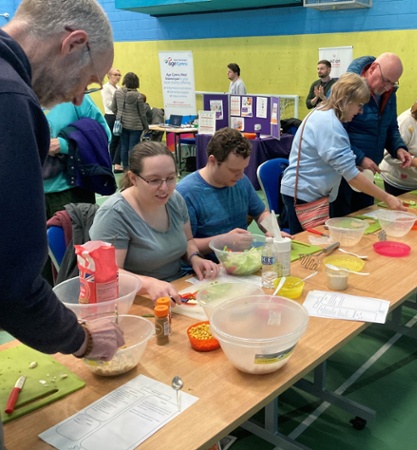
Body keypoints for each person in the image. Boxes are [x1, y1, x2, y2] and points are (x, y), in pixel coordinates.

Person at [0, 1, 125, 445]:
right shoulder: (12, 97)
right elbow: (12, 280)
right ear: (73, 43)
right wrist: (82, 340)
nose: (77, 98)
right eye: (88, 83)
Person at [90, 141, 220, 302]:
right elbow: (107, 274)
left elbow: (187, 240)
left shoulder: (175, 200)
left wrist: (194, 258)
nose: (165, 188)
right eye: (154, 180)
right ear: (133, 178)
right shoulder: (114, 214)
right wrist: (148, 284)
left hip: (175, 289)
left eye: (171, 178)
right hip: (136, 300)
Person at [280, 73, 405, 235]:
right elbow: (351, 175)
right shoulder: (329, 124)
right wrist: (387, 198)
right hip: (305, 195)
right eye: (359, 105)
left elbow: (336, 160)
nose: (360, 111)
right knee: (308, 245)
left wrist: (357, 165)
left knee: (314, 243)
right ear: (346, 101)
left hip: (309, 191)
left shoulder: (324, 114)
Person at [176, 127, 291, 259]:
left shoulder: (240, 181)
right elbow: (183, 248)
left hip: (239, 261)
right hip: (204, 269)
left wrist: (273, 231)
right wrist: (222, 241)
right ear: (212, 161)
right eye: (233, 170)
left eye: (243, 169)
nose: (241, 175)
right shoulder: (186, 193)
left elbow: (260, 213)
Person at [330, 52, 412, 217]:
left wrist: (398, 148)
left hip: (368, 172)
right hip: (343, 174)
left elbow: (390, 127)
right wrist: (359, 157)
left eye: (393, 83)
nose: (387, 87)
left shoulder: (389, 93)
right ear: (373, 68)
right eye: (386, 81)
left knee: (365, 218)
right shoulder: (346, 89)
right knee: (341, 221)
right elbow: (334, 135)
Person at [44, 94, 112, 219]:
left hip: (71, 191)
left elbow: (102, 134)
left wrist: (63, 144)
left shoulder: (74, 93)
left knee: (77, 238)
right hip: (28, 192)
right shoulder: (17, 96)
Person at [111, 71, 149, 171]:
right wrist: (146, 126)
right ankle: (133, 168)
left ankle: (126, 168)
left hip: (122, 124)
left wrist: (119, 115)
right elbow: (142, 114)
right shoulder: (138, 96)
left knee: (123, 146)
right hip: (136, 125)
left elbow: (113, 107)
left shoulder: (118, 92)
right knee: (134, 148)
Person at [102, 67, 122, 172]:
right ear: (109, 76)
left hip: (118, 116)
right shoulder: (105, 88)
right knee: (113, 141)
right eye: (115, 75)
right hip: (110, 116)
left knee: (118, 140)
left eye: (119, 75)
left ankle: (115, 163)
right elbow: (108, 105)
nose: (118, 77)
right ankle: (112, 163)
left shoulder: (118, 88)